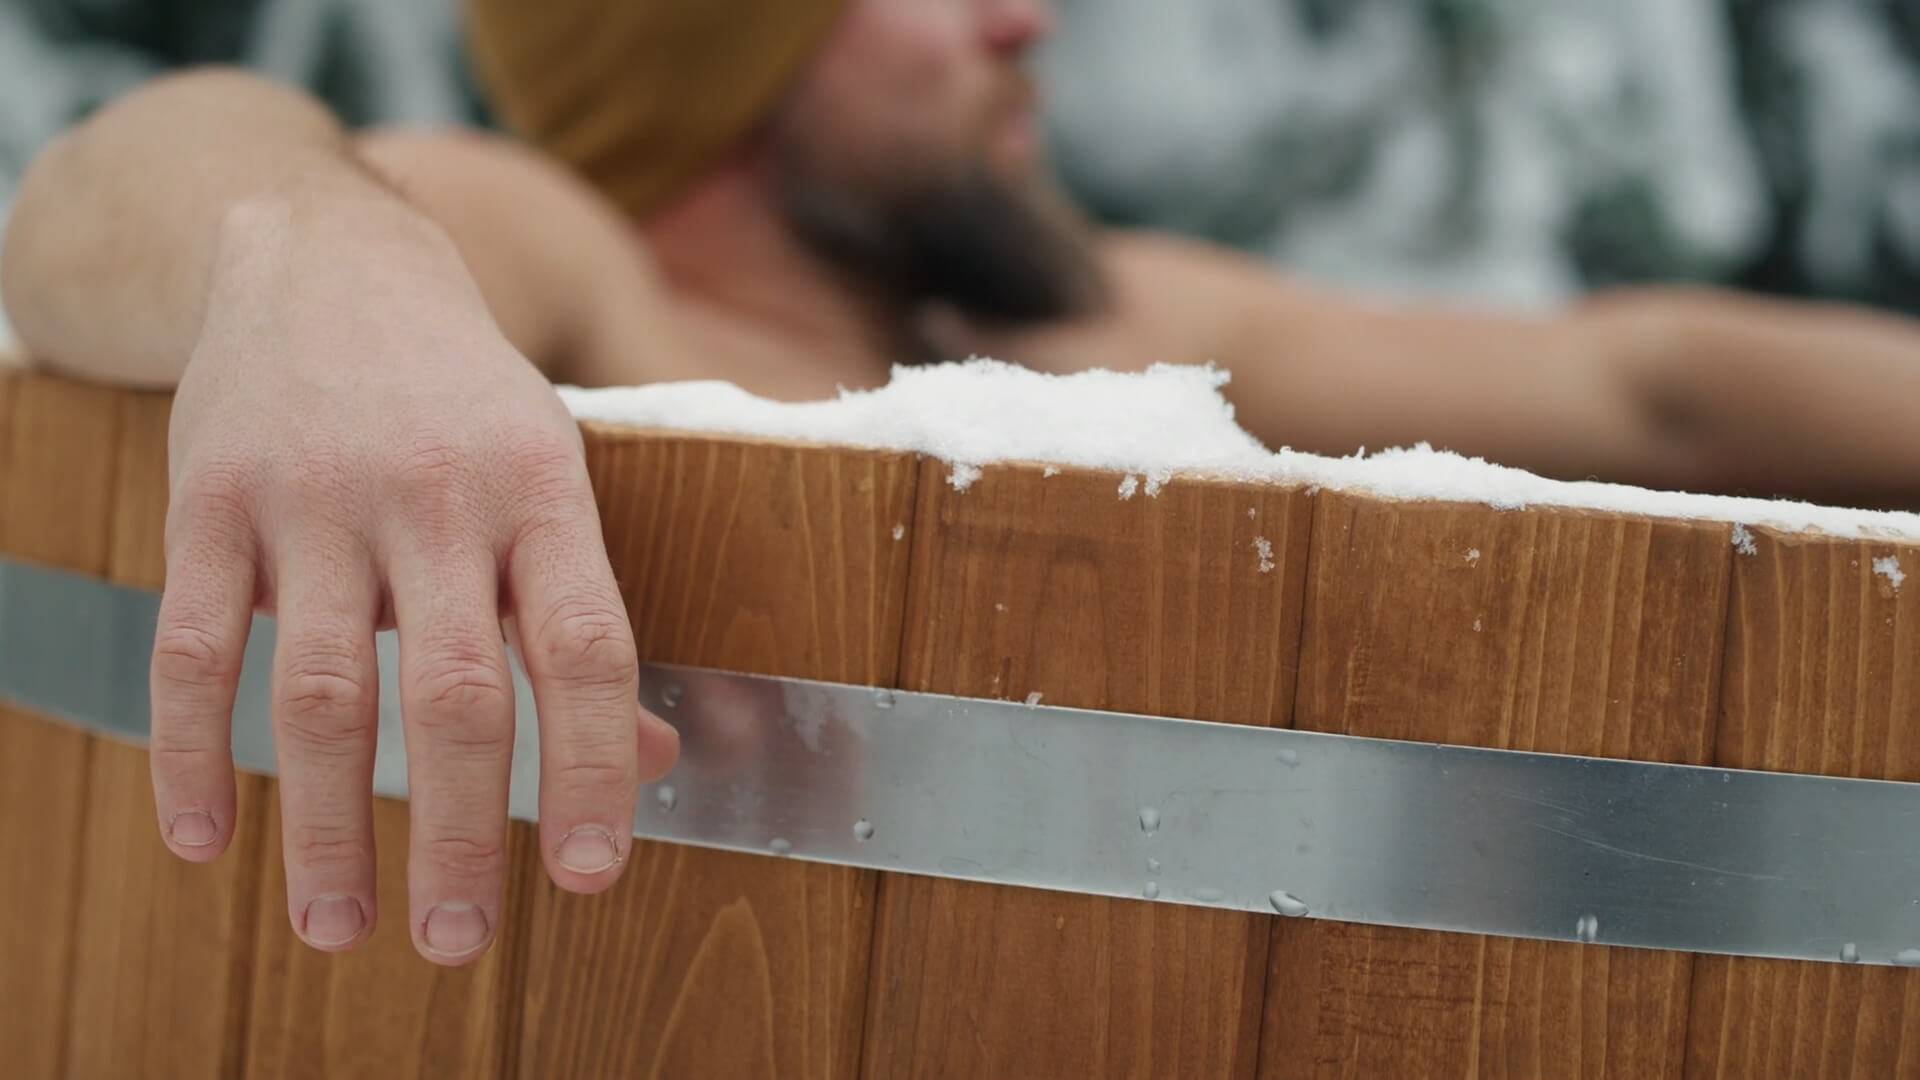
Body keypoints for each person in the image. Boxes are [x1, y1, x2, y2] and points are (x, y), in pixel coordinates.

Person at [4, 0, 1919, 968]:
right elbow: (123, 180)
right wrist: (304, 266)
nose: (1028, 13)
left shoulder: (1096, 326)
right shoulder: (572, 260)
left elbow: (1649, 388)